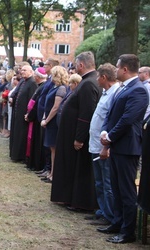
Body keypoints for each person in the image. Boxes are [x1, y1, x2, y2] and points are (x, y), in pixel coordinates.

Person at [98, 54, 149, 244]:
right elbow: (111, 114)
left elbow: (128, 119)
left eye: (117, 67)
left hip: (128, 147)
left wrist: (110, 136)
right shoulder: (122, 88)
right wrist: (105, 131)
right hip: (117, 145)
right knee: (117, 188)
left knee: (127, 191)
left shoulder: (139, 90)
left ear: (125, 69)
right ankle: (117, 222)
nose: (115, 70)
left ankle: (128, 231)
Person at [51, 51, 101, 211]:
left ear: (81, 65)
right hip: (73, 134)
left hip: (78, 137)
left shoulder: (88, 84)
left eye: (75, 64)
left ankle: (80, 201)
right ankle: (70, 198)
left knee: (79, 170)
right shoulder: (89, 81)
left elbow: (86, 113)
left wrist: (79, 137)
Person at [87, 63, 119, 226]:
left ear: (104, 77)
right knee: (99, 182)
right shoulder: (106, 93)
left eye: (98, 76)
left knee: (107, 183)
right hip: (95, 144)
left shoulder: (115, 94)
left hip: (104, 146)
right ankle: (102, 210)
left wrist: (106, 146)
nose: (97, 79)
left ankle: (110, 214)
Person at [40, 66, 68, 183]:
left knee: (54, 149)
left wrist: (47, 120)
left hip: (54, 122)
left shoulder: (61, 88)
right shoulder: (55, 87)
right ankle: (51, 173)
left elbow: (56, 107)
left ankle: (53, 174)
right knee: (52, 149)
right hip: (49, 121)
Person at [9, 65, 38, 163]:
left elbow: (31, 100)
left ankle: (21, 156)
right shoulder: (23, 81)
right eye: (22, 70)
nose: (22, 72)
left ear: (31, 71)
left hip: (25, 114)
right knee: (17, 134)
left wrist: (28, 114)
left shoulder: (32, 83)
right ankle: (15, 155)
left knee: (22, 135)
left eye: (25, 70)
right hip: (18, 112)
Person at [24, 67, 48, 171]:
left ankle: (36, 164)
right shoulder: (39, 86)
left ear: (38, 77)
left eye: (35, 75)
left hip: (37, 119)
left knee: (37, 142)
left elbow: (37, 104)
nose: (34, 77)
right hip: (33, 117)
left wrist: (30, 115)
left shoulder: (42, 87)